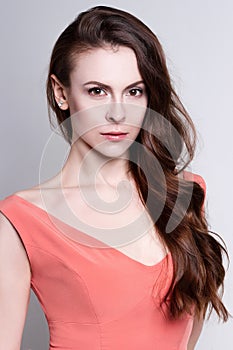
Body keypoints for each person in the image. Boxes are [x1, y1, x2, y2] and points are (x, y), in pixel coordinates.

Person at [0, 5, 229, 350]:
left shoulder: (182, 193)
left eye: (134, 91)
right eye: (97, 91)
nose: (118, 112)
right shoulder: (20, 220)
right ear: (62, 93)